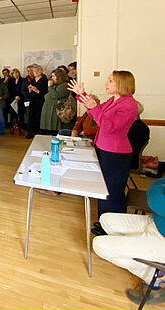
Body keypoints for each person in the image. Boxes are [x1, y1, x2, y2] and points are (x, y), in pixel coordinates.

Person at [68, 70, 138, 235]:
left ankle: (112, 228)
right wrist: (81, 94)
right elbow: (96, 110)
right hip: (104, 147)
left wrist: (94, 108)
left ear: (122, 84)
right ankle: (104, 222)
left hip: (116, 153)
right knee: (103, 188)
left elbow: (109, 127)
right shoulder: (114, 100)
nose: (107, 83)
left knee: (111, 191)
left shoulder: (129, 104)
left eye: (111, 81)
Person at [92, 178, 165, 305]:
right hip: (156, 222)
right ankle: (148, 261)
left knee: (99, 245)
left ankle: (154, 277)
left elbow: (155, 199)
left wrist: (157, 188)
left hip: (162, 239)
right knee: (106, 220)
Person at [40, 68, 71, 134]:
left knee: (54, 131)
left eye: (54, 76)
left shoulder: (65, 85)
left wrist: (50, 87)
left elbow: (55, 96)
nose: (52, 78)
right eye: (52, 76)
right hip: (49, 109)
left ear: (59, 76)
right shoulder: (55, 85)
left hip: (57, 111)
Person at [26, 64, 48, 138]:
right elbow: (30, 91)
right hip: (32, 100)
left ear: (40, 71)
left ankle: (38, 132)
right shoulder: (33, 80)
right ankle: (31, 131)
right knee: (31, 116)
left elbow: (45, 92)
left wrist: (36, 90)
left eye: (35, 71)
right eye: (33, 71)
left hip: (40, 101)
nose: (34, 73)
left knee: (38, 116)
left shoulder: (44, 80)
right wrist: (30, 89)